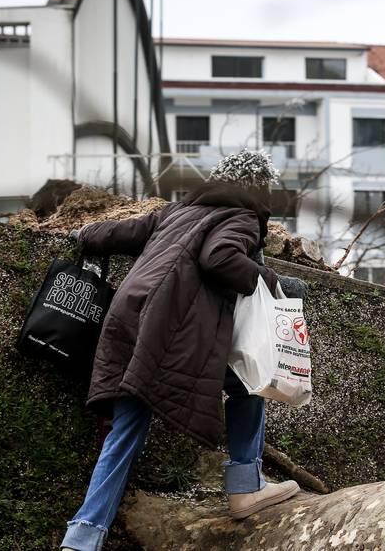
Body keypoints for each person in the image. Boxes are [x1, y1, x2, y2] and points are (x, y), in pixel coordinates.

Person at [61, 150, 304, 551]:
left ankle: (83, 536)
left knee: (126, 428)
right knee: (249, 382)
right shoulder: (240, 216)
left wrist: (83, 235)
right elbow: (220, 258)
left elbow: (123, 232)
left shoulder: (178, 211)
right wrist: (275, 281)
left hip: (130, 317)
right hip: (172, 332)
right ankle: (246, 486)